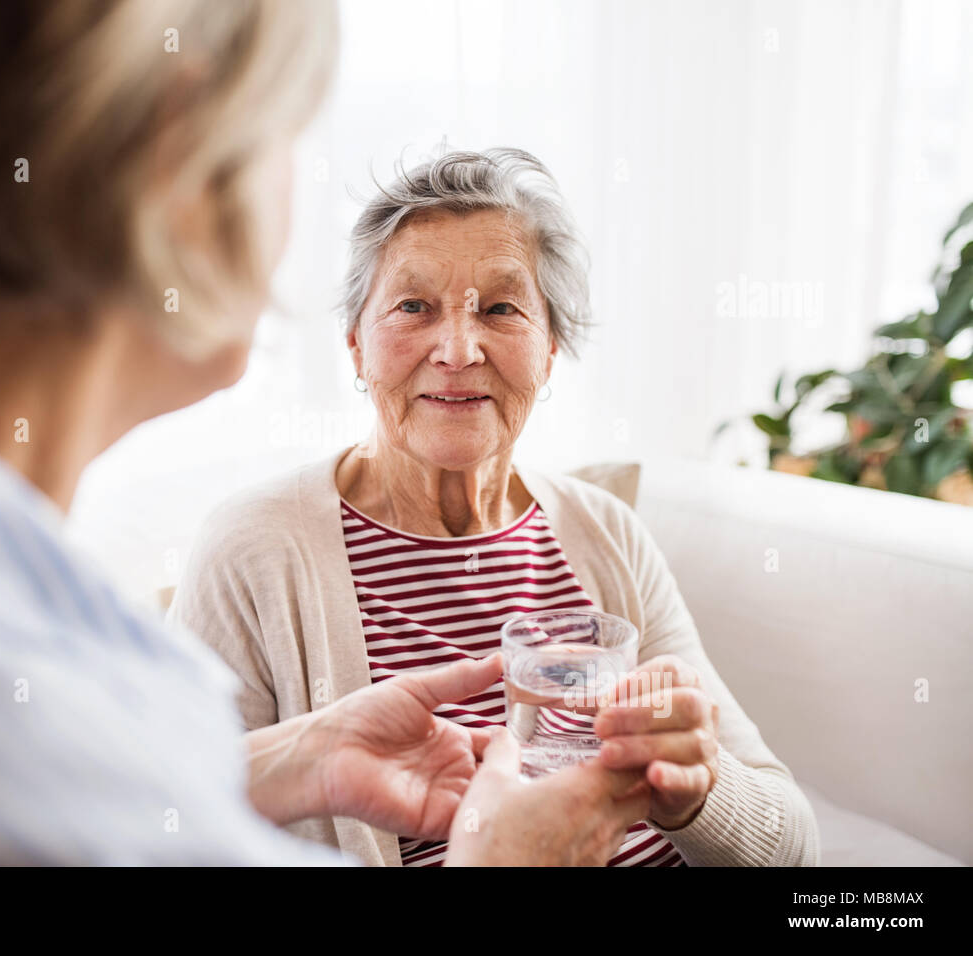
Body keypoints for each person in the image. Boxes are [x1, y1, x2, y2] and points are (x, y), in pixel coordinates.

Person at [0, 1, 649, 865]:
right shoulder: (33, 777)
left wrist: (289, 756)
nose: (455, 348)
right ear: (174, 158)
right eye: (284, 133)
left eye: (501, 312)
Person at [170, 148, 821, 866]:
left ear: (550, 349)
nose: (457, 349)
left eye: (502, 307)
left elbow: (792, 846)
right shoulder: (254, 547)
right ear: (355, 345)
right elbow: (175, 832)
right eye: (413, 306)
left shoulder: (604, 531)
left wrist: (698, 791)